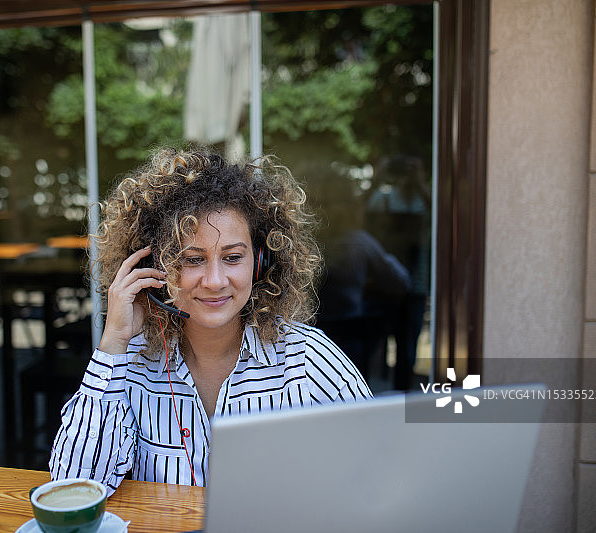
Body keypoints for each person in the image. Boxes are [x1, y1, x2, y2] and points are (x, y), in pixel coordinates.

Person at [49, 146, 372, 493]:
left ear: (260, 263)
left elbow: (380, 474)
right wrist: (113, 343)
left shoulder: (307, 362)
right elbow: (72, 488)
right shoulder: (129, 367)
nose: (215, 281)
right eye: (192, 260)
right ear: (154, 267)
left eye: (232, 257)